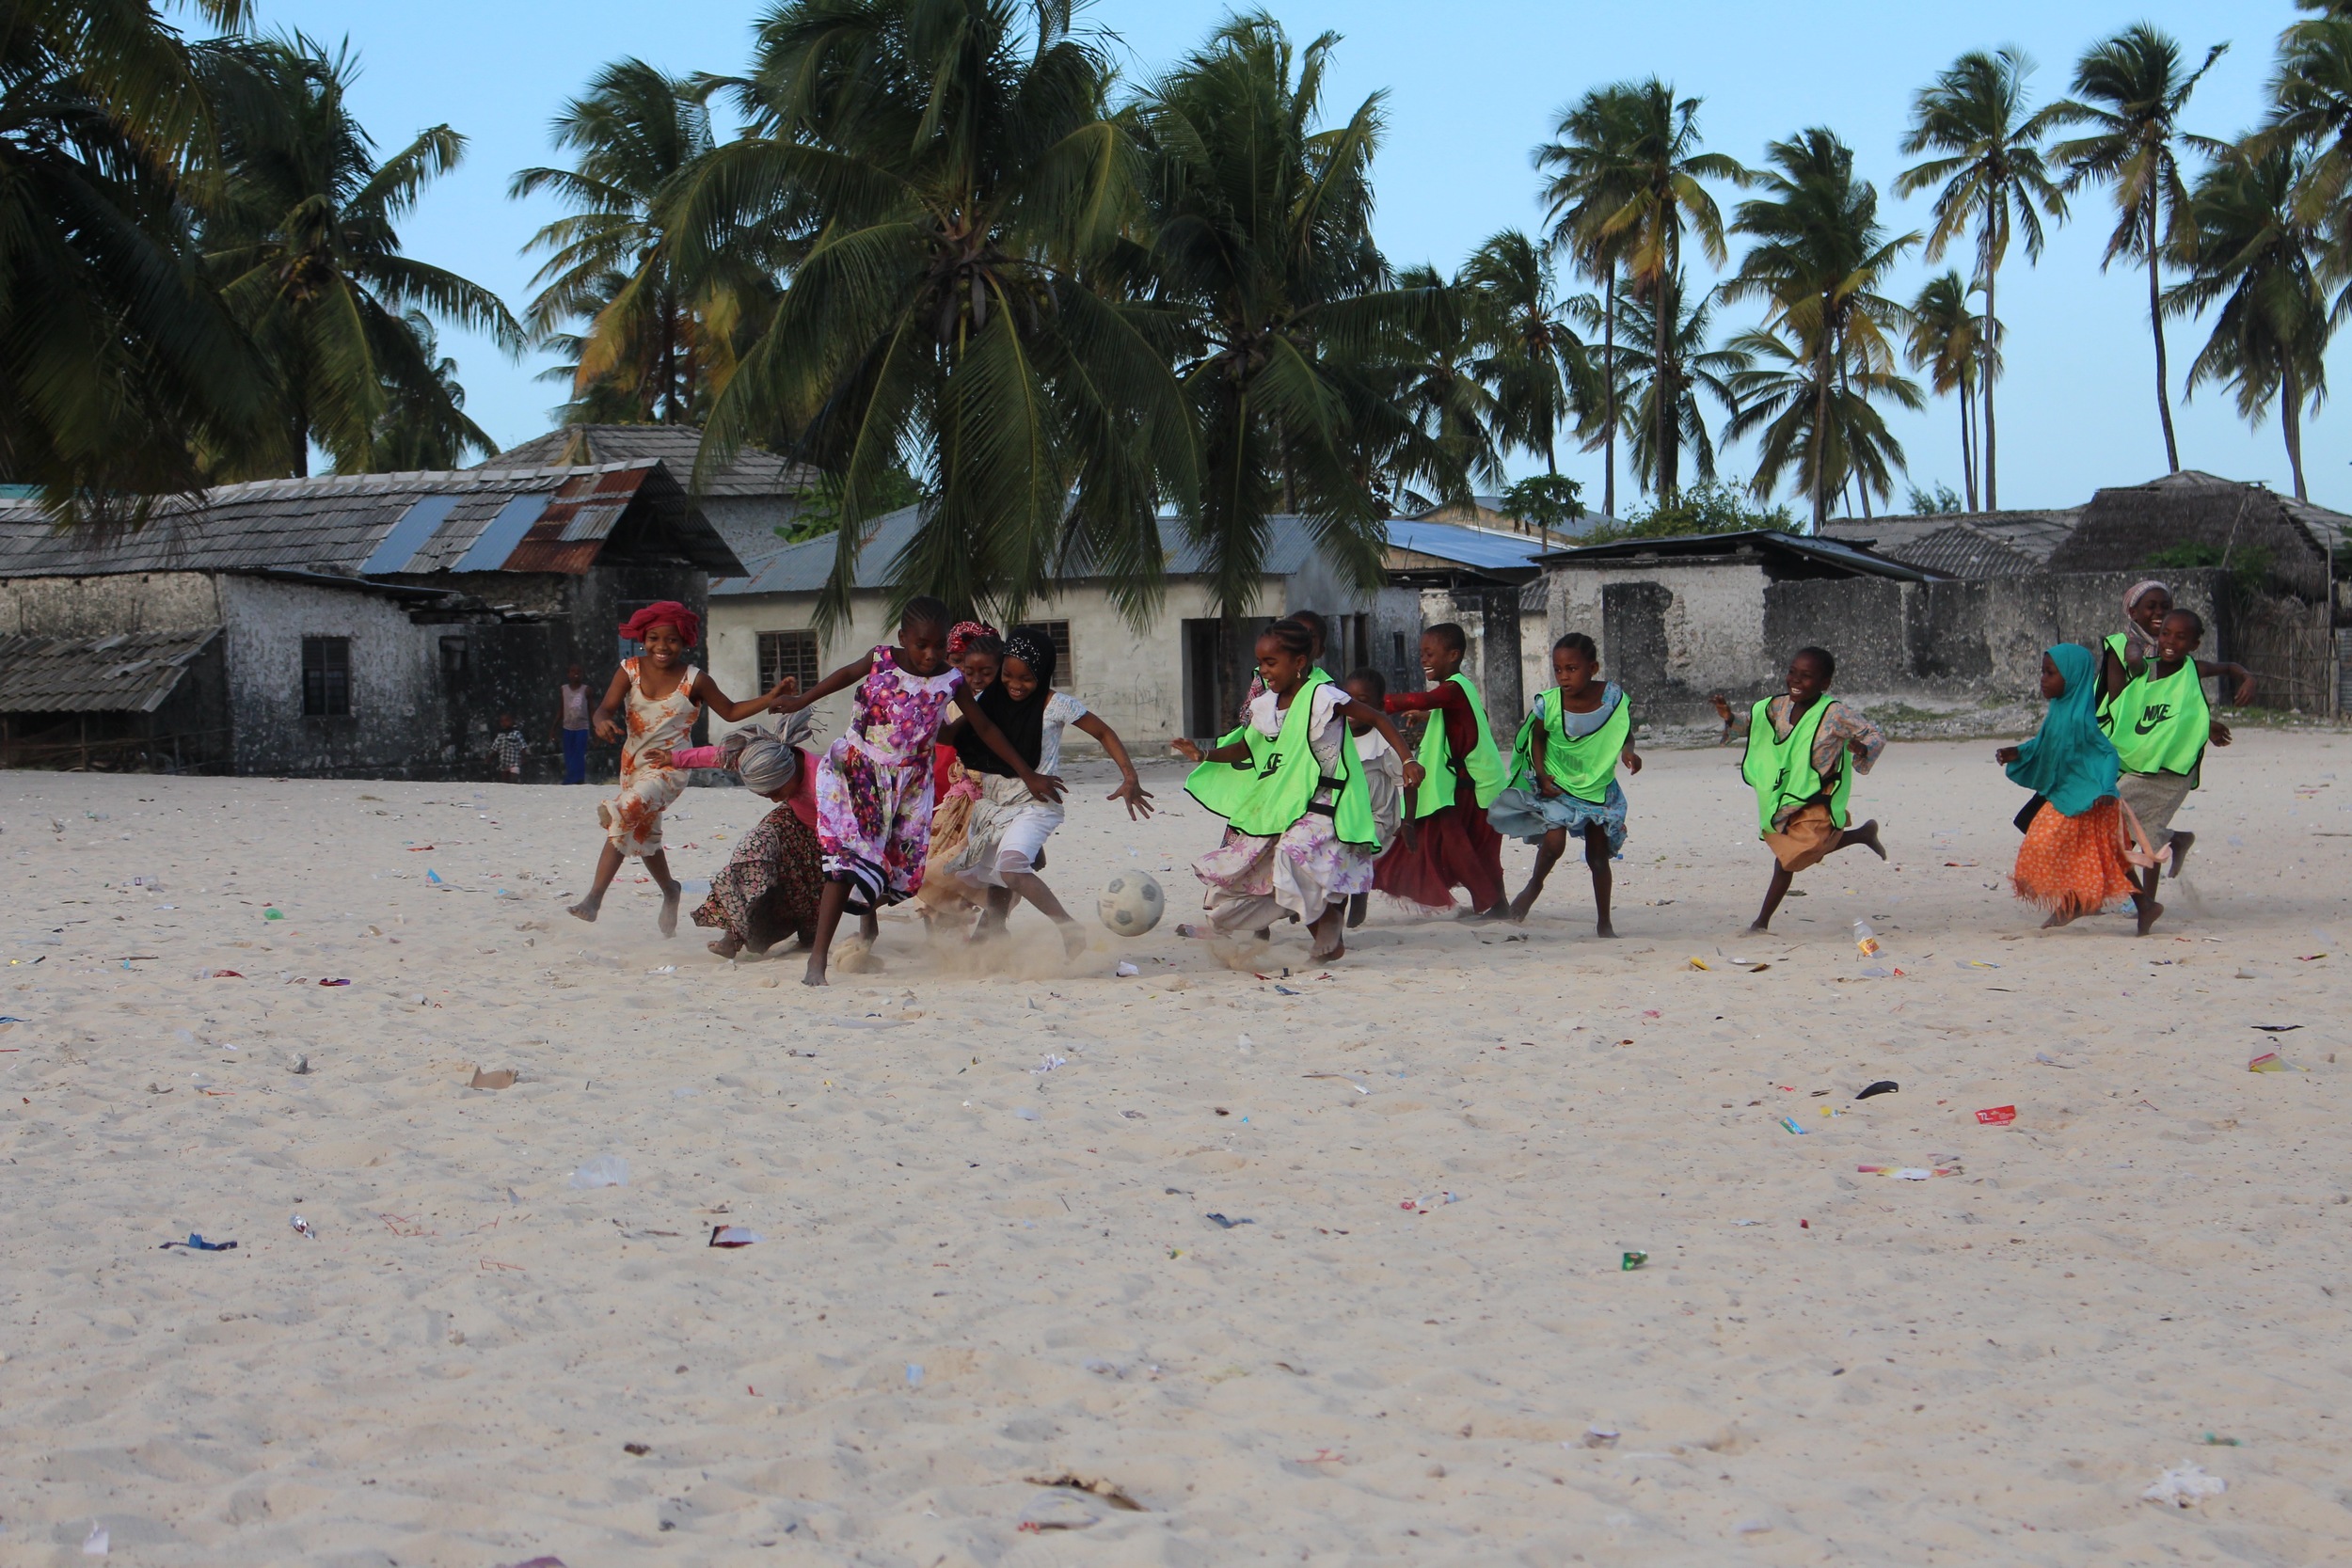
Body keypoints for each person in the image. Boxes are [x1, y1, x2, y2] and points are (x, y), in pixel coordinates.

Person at [771, 596, 1061, 987]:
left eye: (939, 646)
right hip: (858, 772)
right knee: (842, 866)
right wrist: (801, 700)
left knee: (901, 877)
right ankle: (817, 963)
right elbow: (842, 675)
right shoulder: (880, 659)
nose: (931, 654)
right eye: (921, 644)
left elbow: (985, 729)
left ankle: (865, 913)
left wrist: (1028, 774)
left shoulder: (951, 681)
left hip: (909, 787)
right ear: (903, 638)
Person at [1172, 619, 1422, 964]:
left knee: (1294, 854)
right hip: (1285, 802)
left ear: (1299, 663)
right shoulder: (1265, 706)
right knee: (1251, 871)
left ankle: (1330, 921)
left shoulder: (1323, 696)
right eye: (1260, 663)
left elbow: (1378, 718)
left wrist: (1408, 760)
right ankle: (1326, 936)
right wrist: (1204, 755)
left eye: (1271, 663)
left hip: (1328, 800)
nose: (1264, 670)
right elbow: (1248, 748)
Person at [567, 603, 793, 934]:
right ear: (643, 639)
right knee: (643, 832)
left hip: (671, 767)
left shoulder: (695, 680)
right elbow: (604, 709)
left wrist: (769, 699)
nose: (662, 646)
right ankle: (670, 889)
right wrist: (601, 723)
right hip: (632, 764)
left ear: (684, 641)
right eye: (655, 638)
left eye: (672, 640)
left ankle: (594, 898)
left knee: (626, 811)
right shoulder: (628, 669)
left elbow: (729, 711)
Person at [937, 627, 1154, 956]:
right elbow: (952, 735)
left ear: (1042, 674)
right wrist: (920, 707)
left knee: (1011, 870)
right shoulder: (986, 699)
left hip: (1035, 805)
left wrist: (1129, 776)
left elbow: (1104, 732)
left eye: (1026, 678)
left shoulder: (1056, 705)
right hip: (995, 807)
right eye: (1007, 675)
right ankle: (994, 930)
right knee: (998, 873)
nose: (1014, 685)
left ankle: (1068, 927)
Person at [1709, 647, 1887, 934]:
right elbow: (1750, 725)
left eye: (1806, 676)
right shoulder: (1777, 706)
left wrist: (1861, 748)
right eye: (1792, 671)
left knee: (1788, 858)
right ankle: (1861, 834)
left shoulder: (1835, 713)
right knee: (1793, 854)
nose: (1795, 680)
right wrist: (1729, 716)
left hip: (1818, 797)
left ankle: (1760, 923)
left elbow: (1875, 735)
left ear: (1824, 683)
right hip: (1787, 794)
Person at [1997, 643, 2160, 933]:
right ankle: (2141, 905)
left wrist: (2108, 788)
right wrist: (2017, 752)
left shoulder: (2080, 718)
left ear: (2072, 677)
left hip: (2091, 798)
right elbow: (2044, 745)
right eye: (2042, 673)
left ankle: (2077, 902)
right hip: (2075, 794)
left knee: (2043, 838)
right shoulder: (2060, 711)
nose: (2043, 680)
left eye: (2050, 673)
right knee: (2106, 854)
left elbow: (2109, 754)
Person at [1490, 633, 1641, 934]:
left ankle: (1604, 922)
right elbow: (1537, 737)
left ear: (1593, 668)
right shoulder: (1548, 703)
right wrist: (1543, 774)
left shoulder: (1612, 698)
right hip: (1558, 782)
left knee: (1597, 858)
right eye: (1558, 669)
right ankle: (1534, 886)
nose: (1563, 676)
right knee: (1554, 843)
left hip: (1597, 787)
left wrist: (1629, 752)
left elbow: (1622, 731)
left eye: (1572, 669)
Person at [653, 716, 828, 958]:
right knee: (755, 849)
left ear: (788, 774)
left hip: (833, 836)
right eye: (767, 795)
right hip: (795, 822)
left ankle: (811, 936)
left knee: (809, 895)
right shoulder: (766, 760)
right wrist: (674, 758)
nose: (776, 799)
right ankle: (732, 936)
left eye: (776, 792)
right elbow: (721, 756)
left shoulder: (825, 779)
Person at [2107, 606, 2249, 895]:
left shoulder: (2194, 670)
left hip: (2175, 768)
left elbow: (2230, 670)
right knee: (2118, 815)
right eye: (2165, 634)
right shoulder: (2145, 670)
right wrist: (2133, 651)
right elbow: (2151, 702)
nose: (2170, 642)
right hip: (2145, 763)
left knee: (2148, 830)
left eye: (2181, 637)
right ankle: (2175, 841)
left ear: (2195, 645)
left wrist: (2249, 679)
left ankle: (2147, 903)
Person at [1375, 624, 1509, 918]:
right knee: (1468, 845)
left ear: (1453, 655)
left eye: (1430, 654)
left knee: (1466, 845)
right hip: (1465, 784)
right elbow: (1467, 714)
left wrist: (1374, 703)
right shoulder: (1460, 690)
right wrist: (1430, 714)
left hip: (1476, 785)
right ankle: (1496, 904)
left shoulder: (1454, 689)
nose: (1423, 660)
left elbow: (1424, 699)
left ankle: (1497, 905)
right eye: (1421, 653)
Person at [915, 624, 1004, 929]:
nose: (971, 676)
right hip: (949, 802)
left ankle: (989, 931)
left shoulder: (995, 705)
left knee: (979, 871)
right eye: (960, 665)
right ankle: (942, 941)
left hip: (986, 803)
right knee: (936, 871)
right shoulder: (947, 701)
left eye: (984, 669)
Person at [1342, 667, 1411, 929]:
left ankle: (1358, 896)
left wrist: (1409, 821)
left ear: (1379, 706)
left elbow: (1406, 779)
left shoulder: (1383, 741)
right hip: (1347, 812)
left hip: (1377, 815)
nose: (1354, 707)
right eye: (1348, 698)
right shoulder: (1337, 736)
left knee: (1356, 851)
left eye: (1364, 701)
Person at [2096, 581, 2172, 722]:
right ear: (2133, 613)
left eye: (2165, 607)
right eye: (2151, 607)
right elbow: (2117, 702)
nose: (2160, 612)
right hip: (2132, 726)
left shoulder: (2175, 645)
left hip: (2165, 725)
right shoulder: (2120, 645)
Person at [553, 664, 595, 784]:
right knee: (569, 754)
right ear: (568, 674)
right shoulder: (564, 689)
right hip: (568, 727)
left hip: (582, 727)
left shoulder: (586, 690)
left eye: (579, 671)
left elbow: (591, 709)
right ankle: (570, 777)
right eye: (572, 671)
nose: (575, 673)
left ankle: (578, 779)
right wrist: (554, 727)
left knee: (579, 753)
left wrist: (596, 726)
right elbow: (561, 709)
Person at [489, 713, 527, 783]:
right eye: (502, 721)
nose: (504, 723)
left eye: (507, 721)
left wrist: (523, 758)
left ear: (512, 721)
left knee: (513, 780)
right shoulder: (500, 736)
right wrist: (489, 758)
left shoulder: (516, 734)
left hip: (514, 763)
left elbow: (523, 746)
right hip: (504, 763)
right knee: (505, 782)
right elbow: (494, 748)